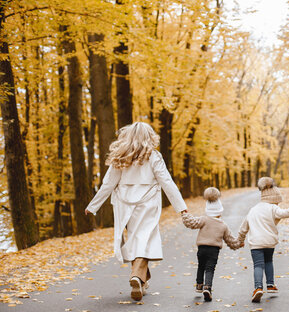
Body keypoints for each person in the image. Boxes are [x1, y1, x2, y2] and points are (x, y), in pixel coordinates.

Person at [85, 122, 187, 301]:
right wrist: (181, 207)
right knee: (144, 238)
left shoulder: (120, 157)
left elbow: (108, 184)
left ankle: (141, 280)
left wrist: (93, 205)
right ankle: (137, 276)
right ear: (149, 137)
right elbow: (167, 182)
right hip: (148, 203)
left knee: (135, 238)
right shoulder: (154, 156)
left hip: (124, 203)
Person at [237, 177, 289, 302]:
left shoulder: (253, 210)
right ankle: (270, 285)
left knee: (258, 265)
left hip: (256, 243)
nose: (278, 205)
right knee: (268, 261)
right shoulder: (273, 208)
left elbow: (243, 228)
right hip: (269, 242)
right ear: (274, 199)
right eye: (278, 202)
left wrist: (240, 240)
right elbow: (286, 213)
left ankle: (258, 288)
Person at [181, 187, 239, 302]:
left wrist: (185, 214)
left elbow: (191, 222)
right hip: (214, 250)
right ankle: (207, 287)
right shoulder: (223, 225)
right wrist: (238, 244)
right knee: (210, 269)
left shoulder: (204, 219)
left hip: (202, 248)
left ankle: (199, 285)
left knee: (201, 266)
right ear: (220, 211)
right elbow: (230, 240)